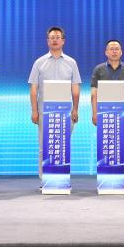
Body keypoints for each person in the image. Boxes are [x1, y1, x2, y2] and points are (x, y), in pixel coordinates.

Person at [28, 26, 80, 180]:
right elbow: (34, 89)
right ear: (47, 41)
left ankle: (61, 179)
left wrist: (75, 109)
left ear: (63, 41)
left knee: (63, 146)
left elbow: (75, 88)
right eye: (52, 38)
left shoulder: (71, 62)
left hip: (65, 112)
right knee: (44, 146)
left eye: (58, 37)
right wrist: (34, 110)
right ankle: (44, 180)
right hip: (44, 112)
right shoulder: (39, 63)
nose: (55, 40)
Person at [91, 39, 124, 190]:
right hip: (104, 115)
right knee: (105, 146)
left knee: (122, 147)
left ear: (121, 52)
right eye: (111, 48)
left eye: (116, 48)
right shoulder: (99, 69)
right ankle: (104, 180)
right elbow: (94, 92)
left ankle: (121, 180)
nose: (114, 51)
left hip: (123, 114)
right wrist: (94, 113)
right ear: (106, 52)